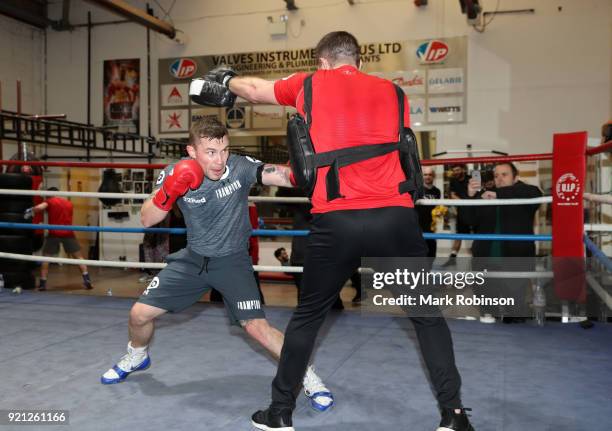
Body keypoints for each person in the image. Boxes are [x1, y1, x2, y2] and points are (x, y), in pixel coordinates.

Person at [191, 31, 474, 430]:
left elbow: (254, 91)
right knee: (427, 317)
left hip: (336, 220)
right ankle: (454, 416)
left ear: (322, 62)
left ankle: (280, 413)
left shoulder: (310, 83)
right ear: (357, 61)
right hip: (394, 218)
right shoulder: (395, 93)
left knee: (308, 318)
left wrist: (226, 80)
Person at [100, 117, 333, 413]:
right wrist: (171, 189)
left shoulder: (239, 166)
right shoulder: (173, 172)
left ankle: (309, 377)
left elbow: (281, 176)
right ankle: (136, 355)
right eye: (210, 152)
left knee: (257, 327)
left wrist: (308, 169)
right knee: (139, 315)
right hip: (193, 259)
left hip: (232, 261)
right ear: (191, 152)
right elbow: (147, 219)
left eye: (223, 150)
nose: (219, 159)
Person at [464, 162, 543, 323]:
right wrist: (470, 196)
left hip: (514, 257)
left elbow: (535, 194)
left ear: (516, 177)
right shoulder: (487, 195)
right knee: (487, 311)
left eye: (504, 174)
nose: (499, 179)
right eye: (496, 175)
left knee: (514, 313)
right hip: (486, 257)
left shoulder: (524, 192)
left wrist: (497, 195)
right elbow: (468, 220)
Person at [24, 188, 92, 291]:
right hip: (68, 232)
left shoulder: (50, 201)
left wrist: (30, 211)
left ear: (49, 195)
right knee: (79, 257)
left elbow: (40, 207)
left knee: (46, 258)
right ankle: (87, 280)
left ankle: (42, 283)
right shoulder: (69, 203)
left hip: (54, 233)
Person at [447, 164, 472, 263]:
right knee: (458, 236)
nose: (456, 172)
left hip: (475, 210)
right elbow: (453, 195)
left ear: (463, 169)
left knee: (476, 238)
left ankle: (478, 262)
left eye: (458, 170)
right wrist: (464, 203)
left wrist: (469, 203)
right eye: (454, 170)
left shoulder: (471, 178)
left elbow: (478, 192)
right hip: (462, 211)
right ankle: (452, 259)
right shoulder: (453, 181)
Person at [416, 166, 442, 257]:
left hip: (430, 225)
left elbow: (437, 208)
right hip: (418, 225)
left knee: (431, 251)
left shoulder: (437, 191)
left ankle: (428, 270)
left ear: (433, 176)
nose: (427, 177)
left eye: (430, 175)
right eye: (425, 175)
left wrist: (439, 212)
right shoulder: (417, 190)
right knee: (420, 251)